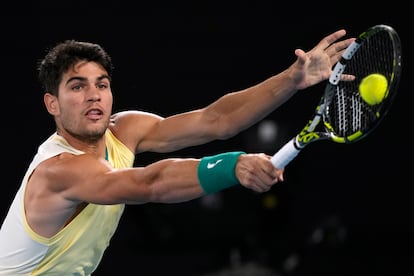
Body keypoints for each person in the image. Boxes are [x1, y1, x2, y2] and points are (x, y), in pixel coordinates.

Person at [0, 29, 354, 275]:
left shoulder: (124, 130)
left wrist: (291, 79)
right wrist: (233, 166)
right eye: (77, 87)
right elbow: (150, 183)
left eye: (102, 85)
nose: (94, 95)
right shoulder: (57, 170)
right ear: (53, 105)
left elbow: (216, 120)